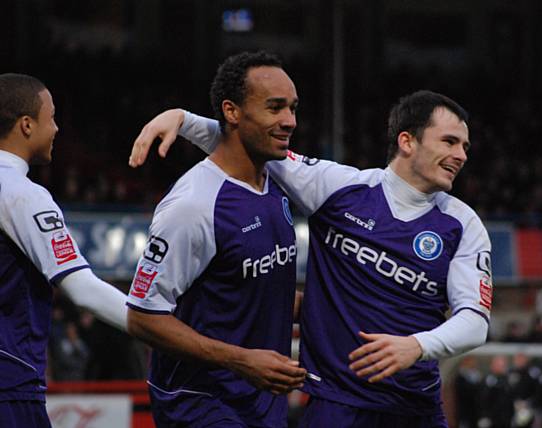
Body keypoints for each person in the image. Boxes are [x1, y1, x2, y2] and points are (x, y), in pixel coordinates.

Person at [130, 82, 492, 427]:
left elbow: (475, 321)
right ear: (407, 141)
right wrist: (183, 119)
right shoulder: (339, 188)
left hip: (417, 408)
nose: (460, 155)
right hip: (337, 405)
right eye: (449, 141)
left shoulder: (463, 225)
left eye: (465, 147)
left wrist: (417, 345)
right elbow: (250, 142)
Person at [125, 51, 307, 428]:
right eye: (275, 108)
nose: (289, 121)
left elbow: (248, 294)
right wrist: (241, 360)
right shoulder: (193, 205)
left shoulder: (275, 181)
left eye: (292, 108)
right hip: (200, 404)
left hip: (260, 401)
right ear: (232, 111)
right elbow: (142, 317)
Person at [0, 73, 128, 427]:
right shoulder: (22, 195)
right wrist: (165, 326)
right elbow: (83, 290)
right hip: (10, 386)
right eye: (51, 117)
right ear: (26, 125)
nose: (56, 128)